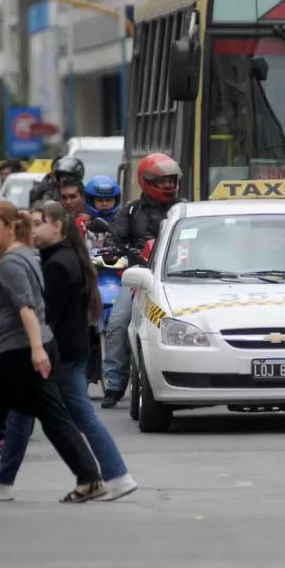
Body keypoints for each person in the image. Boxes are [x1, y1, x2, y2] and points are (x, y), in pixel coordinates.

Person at [0, 201, 106, 504]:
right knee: (2, 419)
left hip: (17, 352)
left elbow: (26, 306)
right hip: (21, 349)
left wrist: (37, 350)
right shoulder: (25, 255)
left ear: (10, 226)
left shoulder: (14, 262)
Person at [0, 201, 137, 502]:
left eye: (38, 223)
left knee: (77, 414)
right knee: (21, 414)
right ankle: (3, 480)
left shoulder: (59, 264)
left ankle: (116, 475)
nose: (33, 229)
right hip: (61, 352)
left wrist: (36, 347)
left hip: (59, 354)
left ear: (57, 226)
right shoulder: (57, 258)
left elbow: (44, 313)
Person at [100, 153, 184, 409]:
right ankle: (114, 384)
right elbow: (113, 237)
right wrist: (112, 248)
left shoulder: (184, 209)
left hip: (179, 279)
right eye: (162, 181)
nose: (169, 186)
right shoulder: (131, 210)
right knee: (116, 325)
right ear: (146, 181)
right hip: (139, 277)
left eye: (172, 180)